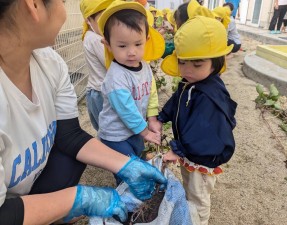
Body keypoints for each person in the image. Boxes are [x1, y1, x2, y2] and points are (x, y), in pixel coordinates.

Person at [0, 0, 167, 224]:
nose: (64, 9)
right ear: (33, 5)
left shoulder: (49, 63)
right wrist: (78, 199)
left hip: (32, 186)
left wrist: (126, 165)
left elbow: (69, 135)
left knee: (71, 158)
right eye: (62, 1)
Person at [159, 16, 237, 225]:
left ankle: (197, 221)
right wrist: (162, 117)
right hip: (190, 152)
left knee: (198, 197)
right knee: (190, 190)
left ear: (216, 62)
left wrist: (176, 150)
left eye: (197, 64)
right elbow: (176, 102)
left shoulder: (209, 96)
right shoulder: (191, 82)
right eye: (182, 62)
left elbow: (201, 131)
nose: (186, 70)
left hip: (201, 156)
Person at [96, 1, 165, 181]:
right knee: (128, 172)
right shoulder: (116, 77)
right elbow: (126, 110)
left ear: (146, 40)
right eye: (122, 46)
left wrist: (151, 118)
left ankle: (134, 200)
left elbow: (151, 93)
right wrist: (146, 132)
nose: (132, 52)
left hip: (134, 130)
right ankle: (127, 205)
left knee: (138, 159)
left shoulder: (145, 67)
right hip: (115, 135)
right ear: (108, 45)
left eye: (137, 44)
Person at [79, 0, 112, 131]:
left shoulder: (91, 35)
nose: (107, 24)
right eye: (102, 19)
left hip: (97, 91)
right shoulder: (96, 39)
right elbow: (112, 65)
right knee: (110, 133)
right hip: (101, 93)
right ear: (88, 20)